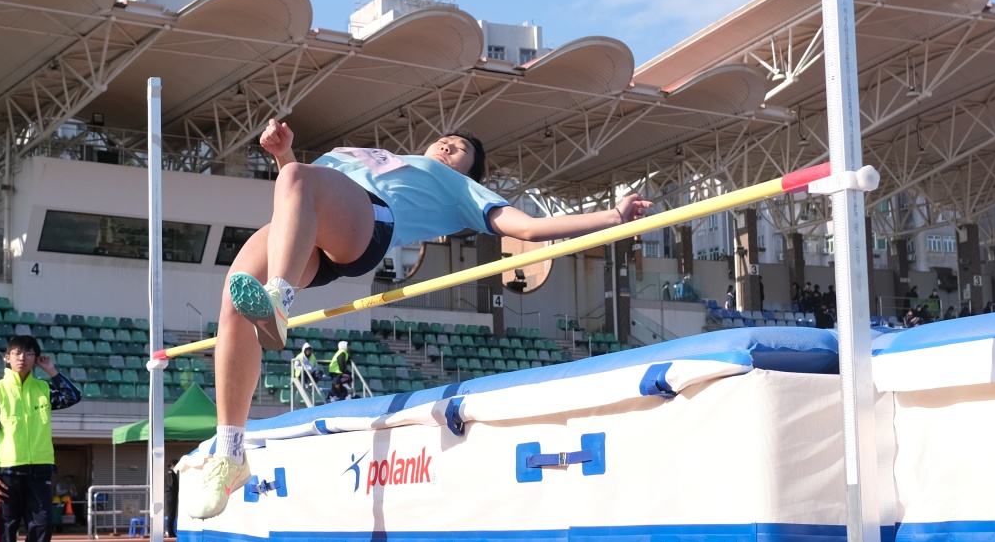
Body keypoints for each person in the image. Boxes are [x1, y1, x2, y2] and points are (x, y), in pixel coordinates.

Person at [189, 120, 654, 519]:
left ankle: (278, 299)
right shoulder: (366, 154)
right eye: (447, 140)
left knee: (295, 177)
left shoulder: (455, 186)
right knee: (234, 300)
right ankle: (230, 451)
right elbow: (297, 199)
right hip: (307, 233)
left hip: (367, 223)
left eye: (462, 150)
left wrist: (613, 216)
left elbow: (528, 227)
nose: (450, 145)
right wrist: (283, 153)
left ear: (466, 170)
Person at [0, 334, 81, 542]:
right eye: (17, 353)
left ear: (36, 359)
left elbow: (73, 396)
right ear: (7, 358)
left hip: (40, 471)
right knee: (7, 527)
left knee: (42, 525)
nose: (22, 357)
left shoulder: (43, 389)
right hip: (7, 473)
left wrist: (52, 371)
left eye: (29, 353)